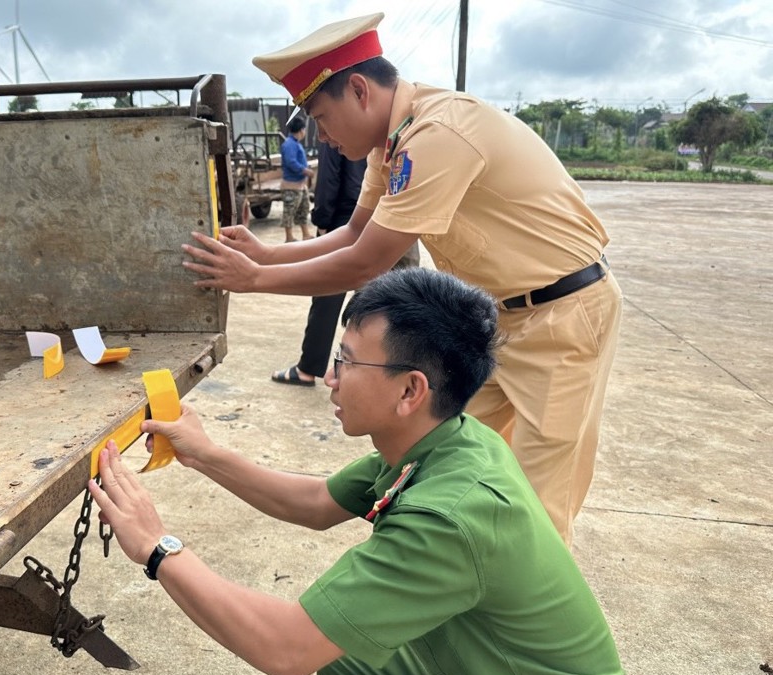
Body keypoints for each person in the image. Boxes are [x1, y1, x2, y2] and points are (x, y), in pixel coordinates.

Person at [180, 13, 623, 546]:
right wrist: (267, 257)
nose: (322, 135)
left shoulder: (439, 132)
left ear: (360, 91)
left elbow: (367, 262)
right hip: (500, 321)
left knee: (535, 504)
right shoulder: (389, 146)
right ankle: (465, 580)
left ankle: (525, 618)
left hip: (562, 318)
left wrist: (253, 280)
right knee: (454, 457)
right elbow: (353, 234)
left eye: (322, 117)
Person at [89, 267, 625, 675]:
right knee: (350, 661)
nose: (329, 378)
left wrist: (157, 547)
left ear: (410, 390)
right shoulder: (447, 439)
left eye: (345, 363)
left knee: (319, 641)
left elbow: (285, 650)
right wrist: (203, 454)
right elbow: (318, 502)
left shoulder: (449, 515)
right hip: (492, 669)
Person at [271, 141, 419, 387]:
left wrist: (322, 219)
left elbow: (329, 179)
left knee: (328, 294)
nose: (323, 133)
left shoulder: (337, 131)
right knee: (388, 302)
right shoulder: (393, 136)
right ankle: (387, 373)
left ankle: (310, 367)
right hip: (390, 218)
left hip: (349, 215)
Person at [280, 116, 315, 242]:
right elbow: (291, 162)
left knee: (303, 209)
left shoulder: (295, 144)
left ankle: (305, 234)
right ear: (301, 130)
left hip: (300, 184)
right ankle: (289, 237)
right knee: (289, 211)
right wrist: (305, 170)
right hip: (291, 185)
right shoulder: (289, 144)